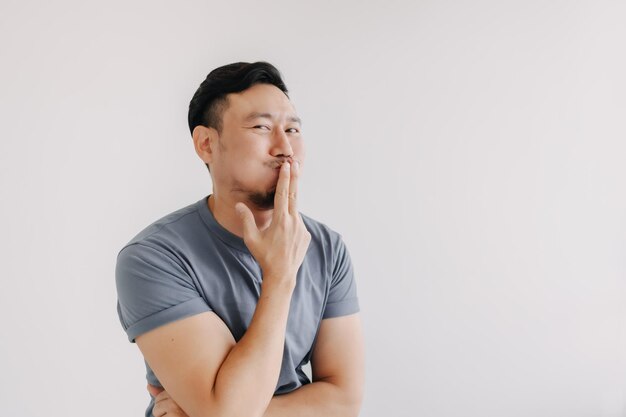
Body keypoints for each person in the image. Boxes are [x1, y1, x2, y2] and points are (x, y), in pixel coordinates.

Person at [115, 61, 364, 417]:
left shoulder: (327, 248)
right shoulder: (153, 258)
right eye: (261, 127)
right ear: (206, 144)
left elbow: (344, 402)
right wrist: (280, 277)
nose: (284, 147)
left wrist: (212, 412)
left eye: (292, 129)